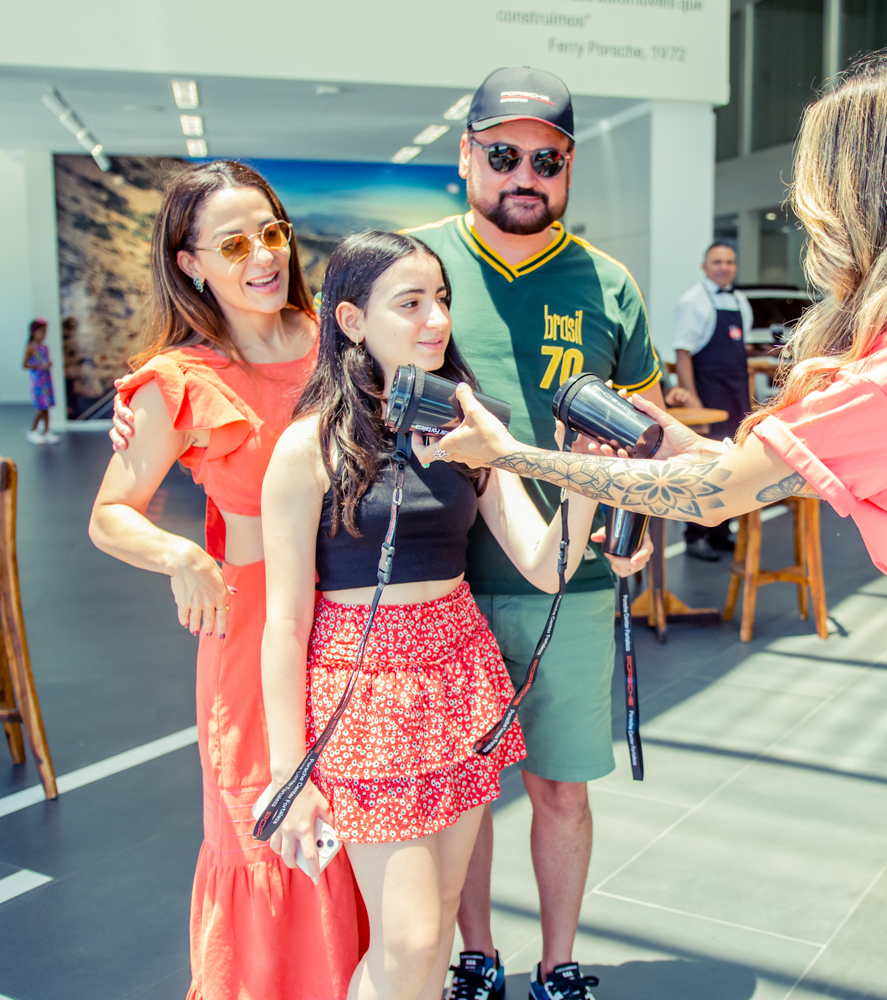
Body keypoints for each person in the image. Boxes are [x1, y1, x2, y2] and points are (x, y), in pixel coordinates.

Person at [437, 49, 887, 1000]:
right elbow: (737, 466)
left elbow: (718, 495)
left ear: (873, 195)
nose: (812, 216)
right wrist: (652, 446)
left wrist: (513, 455)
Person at [261, 231, 637, 1000]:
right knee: (409, 941)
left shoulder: (467, 430)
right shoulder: (308, 448)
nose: (436, 319)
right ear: (351, 321)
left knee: (436, 922)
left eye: (441, 300)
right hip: (366, 693)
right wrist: (287, 773)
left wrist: (583, 477)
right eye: (410, 303)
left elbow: (545, 563)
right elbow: (285, 624)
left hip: (459, 676)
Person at [403, 66, 669, 1000]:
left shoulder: (609, 284)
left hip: (576, 585)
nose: (525, 174)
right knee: (462, 794)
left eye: (546, 160)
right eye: (504, 154)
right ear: (466, 155)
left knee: (561, 786)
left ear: (569, 166)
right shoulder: (420, 269)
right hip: (443, 584)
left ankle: (559, 966)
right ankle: (476, 955)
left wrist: (641, 524)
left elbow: (646, 428)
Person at [89, 161, 366, 1000]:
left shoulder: (341, 340)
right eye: (234, 243)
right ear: (191, 264)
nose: (264, 256)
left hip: (361, 617)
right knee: (269, 828)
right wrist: (181, 556)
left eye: (271, 233)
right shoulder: (179, 380)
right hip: (253, 638)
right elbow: (111, 514)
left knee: (362, 823)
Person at [672, 241, 754, 561]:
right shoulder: (692, 301)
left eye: (730, 262)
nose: (724, 267)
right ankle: (694, 537)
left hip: (736, 397)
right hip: (708, 396)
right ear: (704, 267)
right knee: (703, 469)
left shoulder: (740, 300)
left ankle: (721, 532)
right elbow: (683, 353)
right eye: (717, 262)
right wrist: (692, 399)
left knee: (731, 467)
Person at [24, 318, 59, 444]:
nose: (43, 334)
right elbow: (25, 364)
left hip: (46, 379)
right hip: (37, 380)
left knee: (47, 405)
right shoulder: (31, 347)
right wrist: (40, 365)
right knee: (41, 406)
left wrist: (47, 365)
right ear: (33, 332)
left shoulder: (44, 347)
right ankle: (33, 430)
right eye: (40, 331)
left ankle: (47, 431)